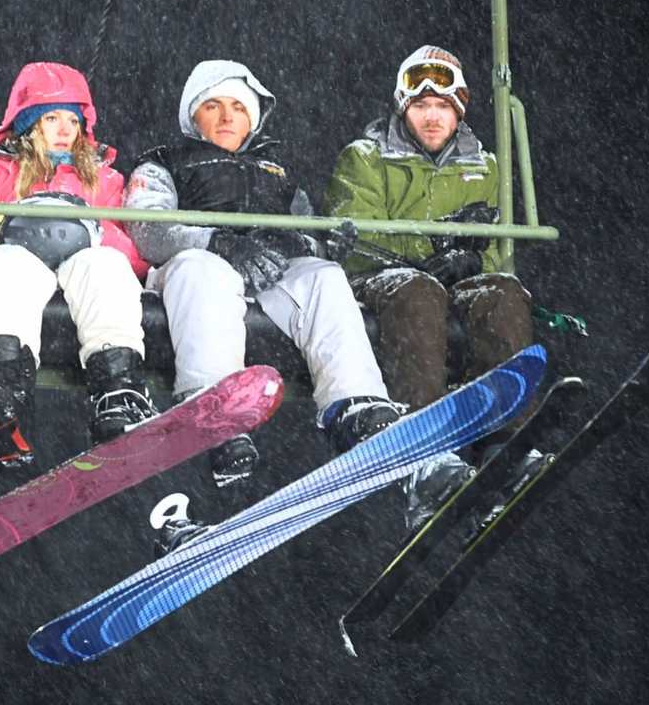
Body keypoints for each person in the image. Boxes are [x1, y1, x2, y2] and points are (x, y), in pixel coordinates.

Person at [124, 59, 403, 490]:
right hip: (195, 267)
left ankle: (355, 403)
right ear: (193, 116)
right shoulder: (166, 162)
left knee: (324, 277)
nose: (226, 116)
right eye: (212, 106)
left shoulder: (277, 172)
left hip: (266, 272)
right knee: (206, 274)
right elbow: (148, 229)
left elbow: (306, 231)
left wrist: (310, 244)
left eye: (237, 106)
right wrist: (215, 241)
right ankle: (213, 405)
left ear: (252, 116)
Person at [324, 44, 534, 527]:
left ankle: (504, 440)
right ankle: (425, 446)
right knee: (418, 292)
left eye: (443, 107)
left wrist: (470, 256)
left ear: (458, 110)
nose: (433, 117)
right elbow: (356, 233)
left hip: (448, 284)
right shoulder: (367, 158)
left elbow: (497, 250)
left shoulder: (483, 167)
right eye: (421, 106)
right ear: (404, 108)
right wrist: (435, 247)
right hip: (380, 278)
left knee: (501, 295)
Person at [0, 61, 153, 468]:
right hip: (24, 265)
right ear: (28, 124)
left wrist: (85, 230)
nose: (62, 129)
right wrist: (4, 232)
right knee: (5, 264)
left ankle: (117, 388)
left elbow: (135, 254)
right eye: (50, 118)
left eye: (71, 120)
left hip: (82, 267)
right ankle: (1, 385)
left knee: (105, 265)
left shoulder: (104, 181)